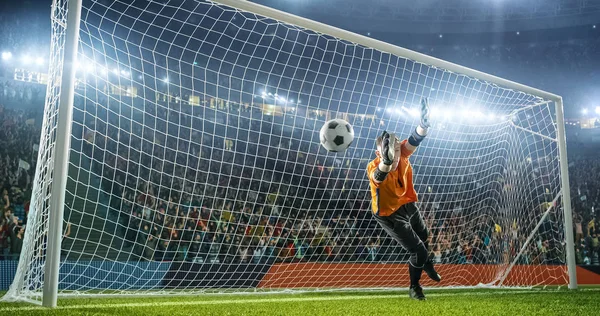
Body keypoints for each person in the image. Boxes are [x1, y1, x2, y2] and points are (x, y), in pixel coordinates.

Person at [366, 98, 441, 300]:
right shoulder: (374, 166)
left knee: (424, 234)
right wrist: (386, 161)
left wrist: (424, 125)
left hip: (406, 203)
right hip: (388, 213)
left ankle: (427, 264)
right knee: (418, 251)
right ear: (379, 152)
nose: (396, 154)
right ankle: (414, 287)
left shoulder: (403, 153)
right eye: (390, 151)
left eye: (397, 149)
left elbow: (416, 138)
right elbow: (377, 177)